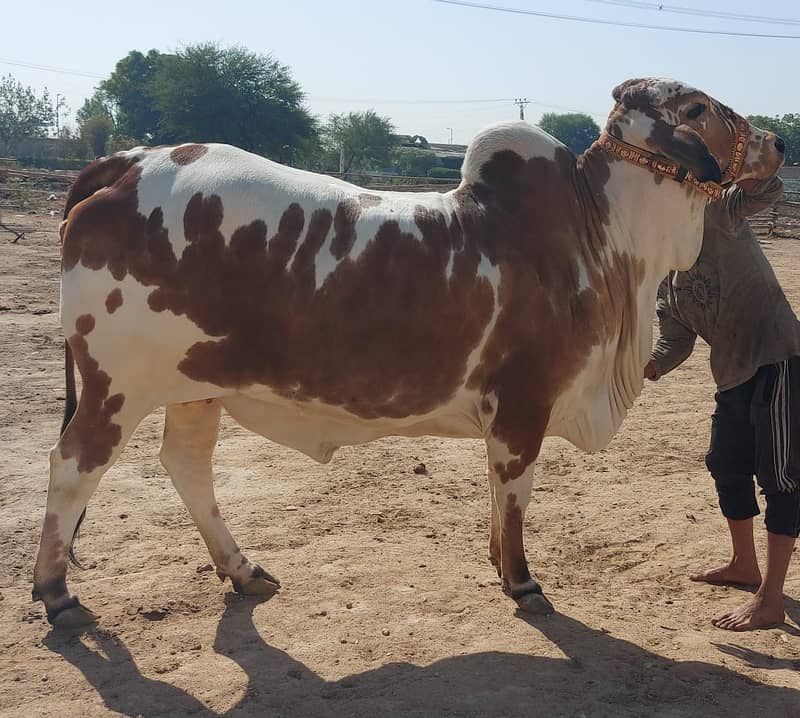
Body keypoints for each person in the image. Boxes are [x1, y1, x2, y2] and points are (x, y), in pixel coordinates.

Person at [645, 175, 799, 631]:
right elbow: (675, 341)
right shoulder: (665, 279)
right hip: (731, 376)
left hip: (780, 360)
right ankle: (743, 565)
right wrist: (643, 369)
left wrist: (753, 164)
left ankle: (770, 600)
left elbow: (768, 191)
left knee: (782, 478)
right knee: (726, 465)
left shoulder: (717, 215)